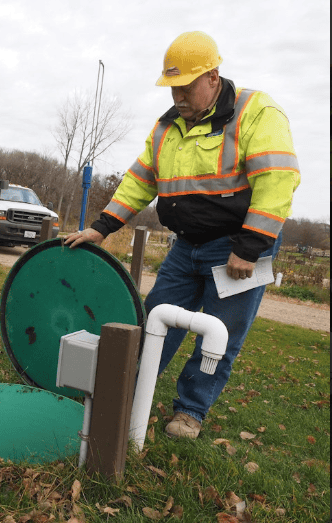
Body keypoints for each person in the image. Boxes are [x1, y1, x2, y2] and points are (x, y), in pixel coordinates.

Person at [66, 31, 299, 439]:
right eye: (173, 86)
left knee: (219, 334)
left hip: (237, 248)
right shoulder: (166, 126)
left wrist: (249, 246)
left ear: (213, 76)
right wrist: (102, 227)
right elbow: (140, 180)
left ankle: (190, 411)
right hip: (185, 246)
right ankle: (127, 392)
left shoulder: (256, 112)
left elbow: (277, 180)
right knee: (154, 318)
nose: (178, 95)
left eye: (186, 85)